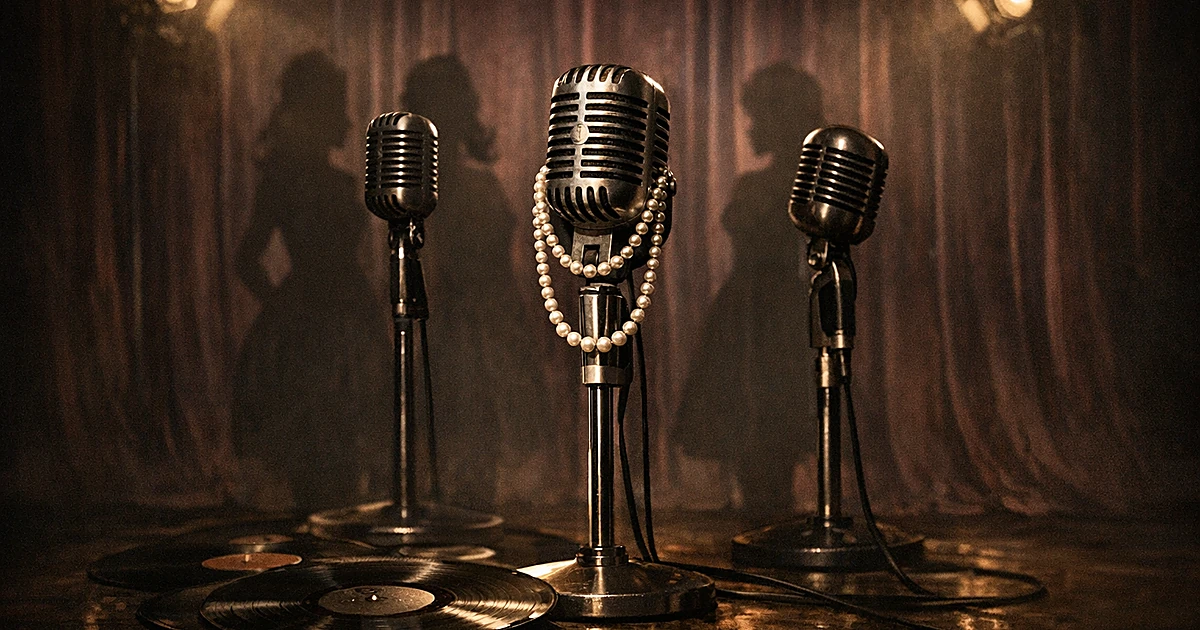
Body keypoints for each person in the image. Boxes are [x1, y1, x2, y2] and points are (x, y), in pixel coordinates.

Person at [231, 50, 390, 512]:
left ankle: (339, 543)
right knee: (316, 437)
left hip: (344, 312)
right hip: (312, 321)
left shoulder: (338, 182)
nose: (344, 116)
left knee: (347, 432)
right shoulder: (283, 180)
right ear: (314, 110)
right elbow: (247, 259)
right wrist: (282, 306)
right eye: (335, 104)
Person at [675, 62, 824, 517]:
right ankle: (762, 511)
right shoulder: (765, 183)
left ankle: (769, 514)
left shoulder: (788, 185)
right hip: (753, 313)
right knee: (753, 429)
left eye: (757, 115)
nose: (750, 127)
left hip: (777, 316)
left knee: (769, 423)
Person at [401, 55, 550, 510]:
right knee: (453, 425)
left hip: (491, 320)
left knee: (481, 431)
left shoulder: (480, 186)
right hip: (450, 322)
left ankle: (471, 518)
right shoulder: (425, 191)